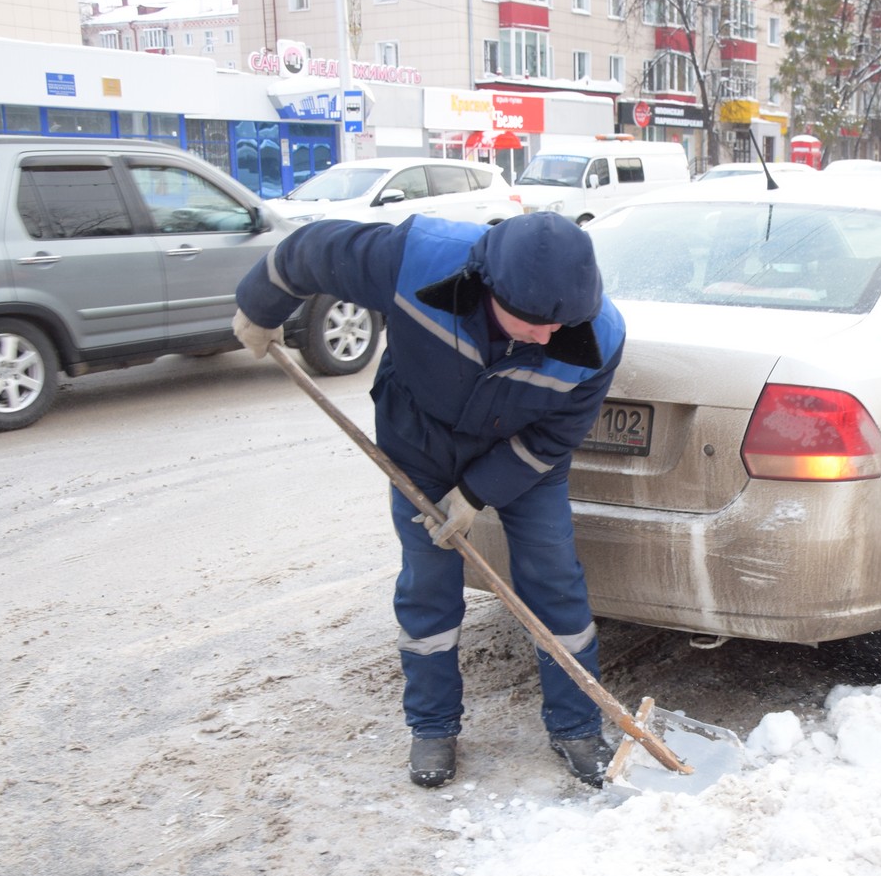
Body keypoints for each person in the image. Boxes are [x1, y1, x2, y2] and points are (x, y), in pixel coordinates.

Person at [231, 212, 626, 790]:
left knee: (554, 579)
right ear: (489, 284)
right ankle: (433, 726)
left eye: (560, 322)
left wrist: (477, 493)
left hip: (521, 459)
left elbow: (555, 437)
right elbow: (310, 250)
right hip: (417, 444)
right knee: (428, 583)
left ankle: (577, 725)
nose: (547, 335)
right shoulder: (416, 260)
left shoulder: (597, 338)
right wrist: (259, 308)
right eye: (534, 321)